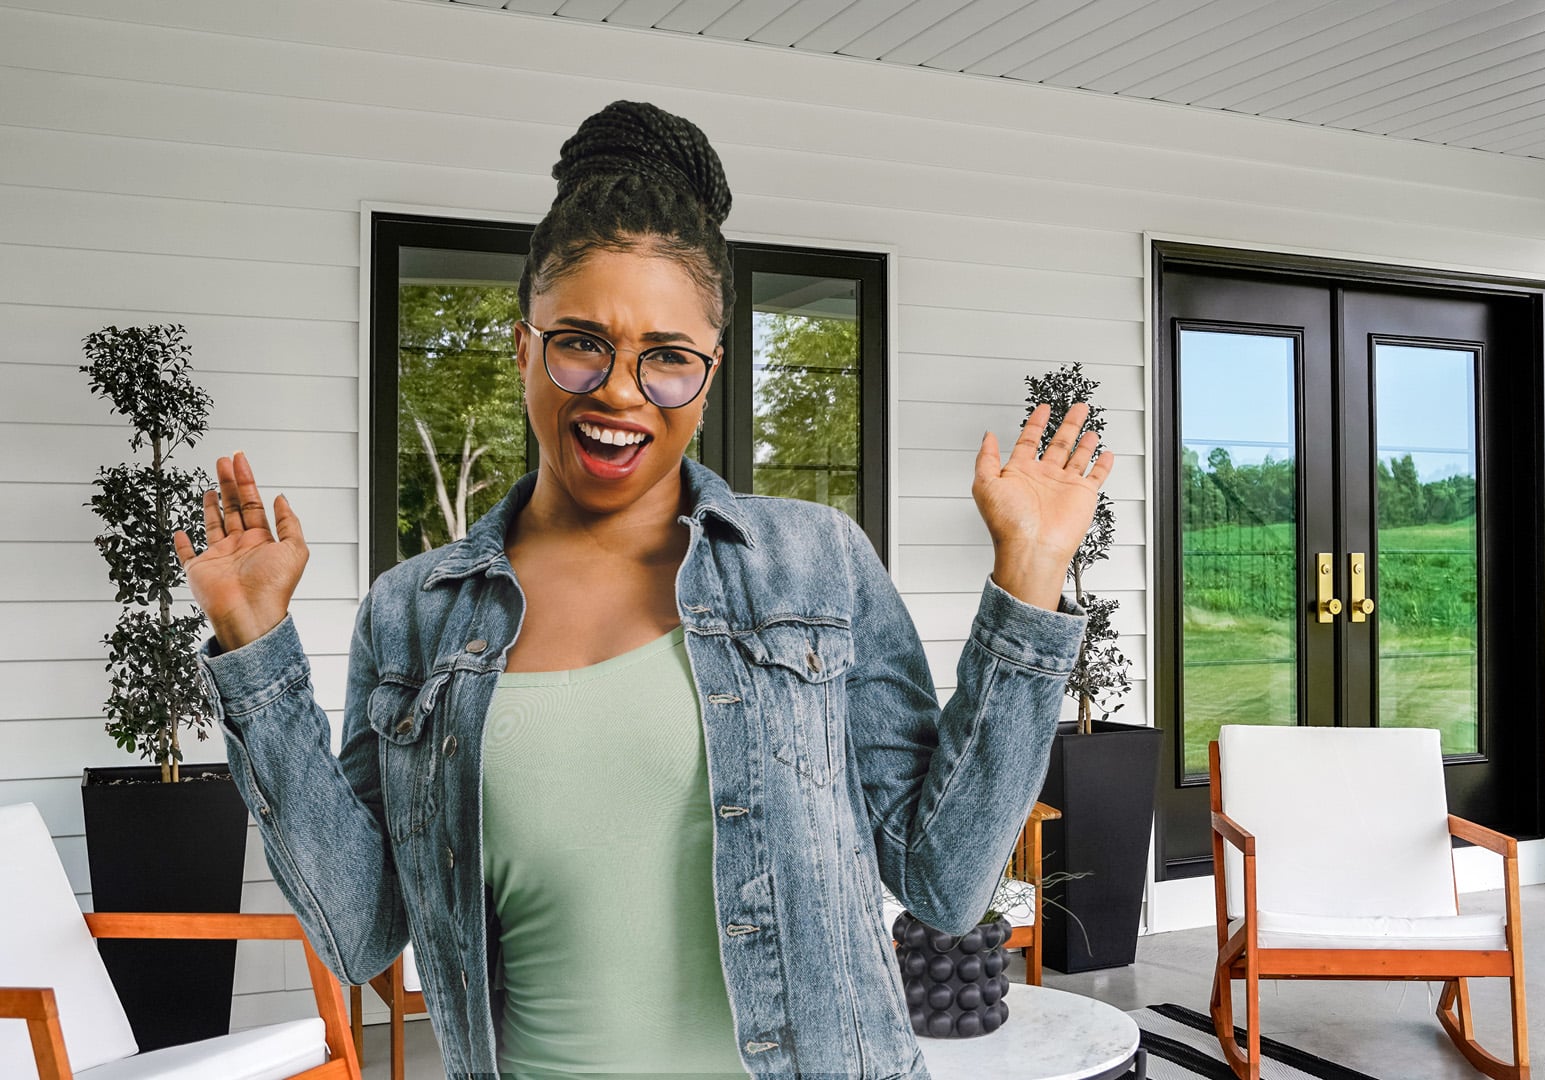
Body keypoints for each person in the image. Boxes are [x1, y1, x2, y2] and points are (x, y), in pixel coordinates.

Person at [177, 100, 1113, 1080]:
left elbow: (945, 882)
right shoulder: (412, 617)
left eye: (667, 357)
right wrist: (254, 649)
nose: (622, 391)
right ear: (524, 347)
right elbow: (361, 932)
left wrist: (1030, 579)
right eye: (583, 341)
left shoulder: (816, 563)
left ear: (707, 378)